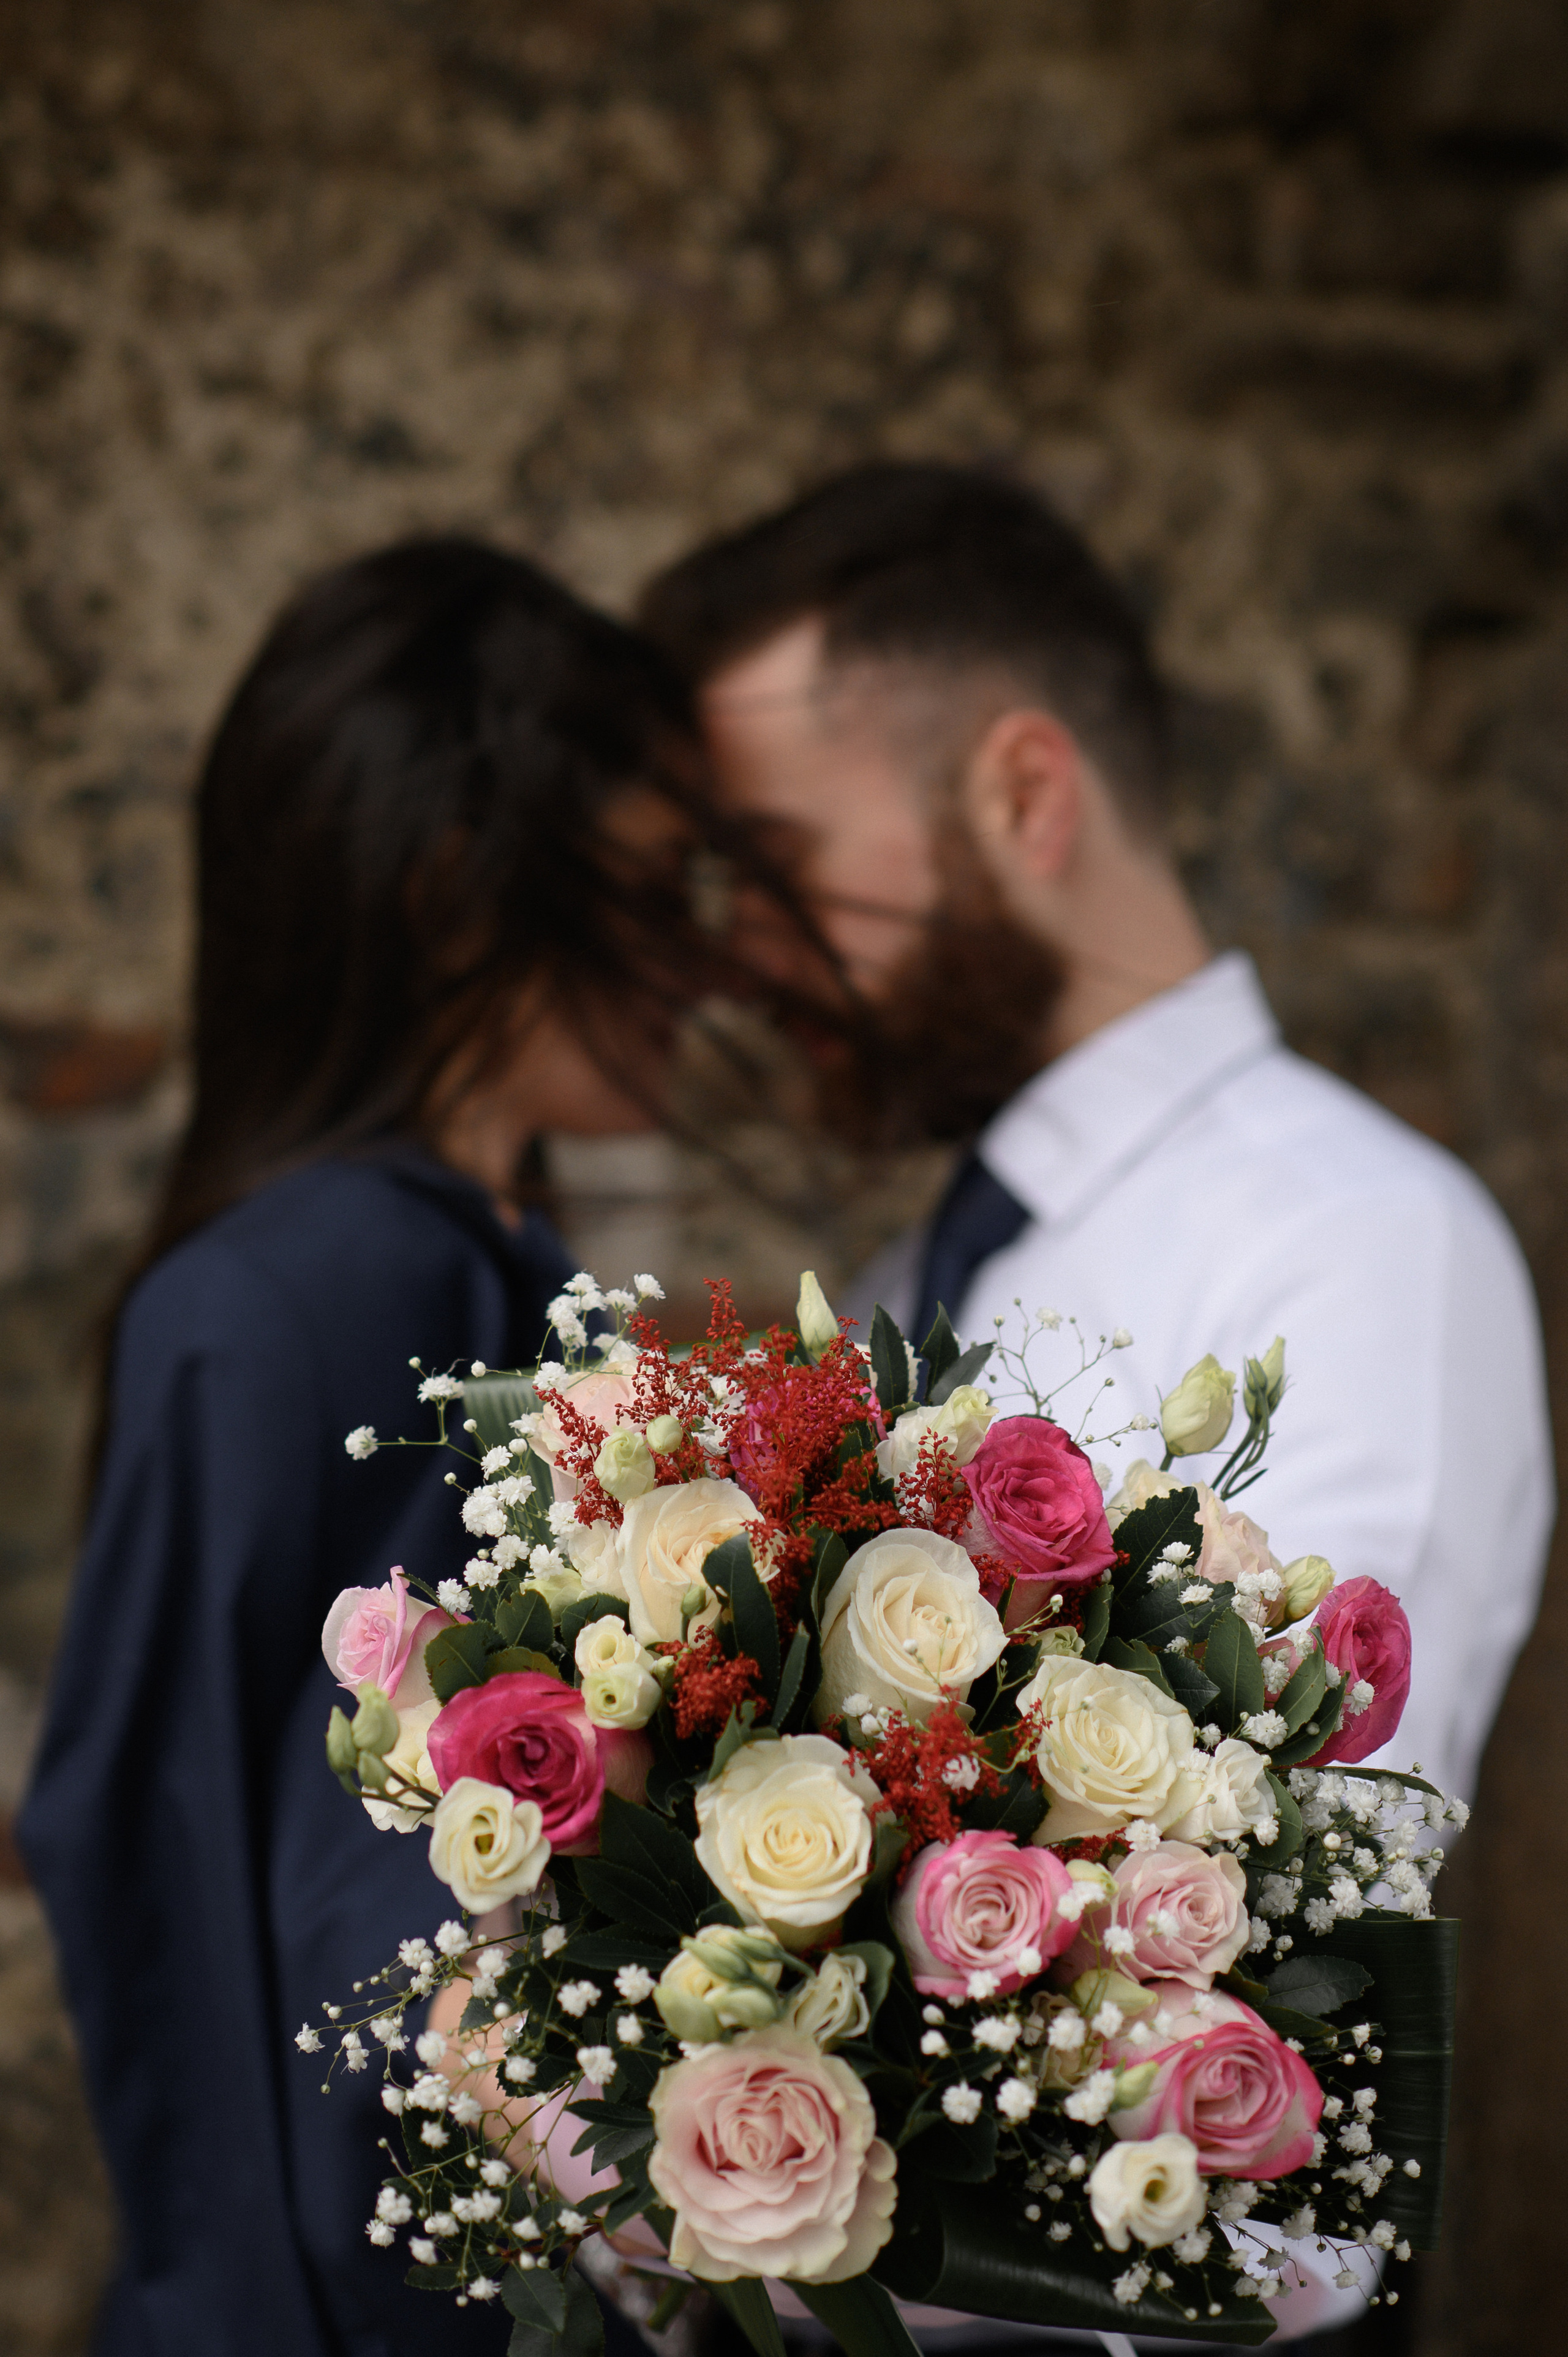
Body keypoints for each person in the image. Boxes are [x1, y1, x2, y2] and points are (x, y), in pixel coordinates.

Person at [19, 539, 840, 2357]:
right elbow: (146, 1855)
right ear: (464, 894)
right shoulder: (284, 1298)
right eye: (645, 886)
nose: (697, 959)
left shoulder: (501, 1267)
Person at [639, 460, 1555, 1828]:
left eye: (779, 868)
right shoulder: (921, 1261)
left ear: (1021, 797)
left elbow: (1312, 1850)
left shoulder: (1363, 1245)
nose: (740, 962)